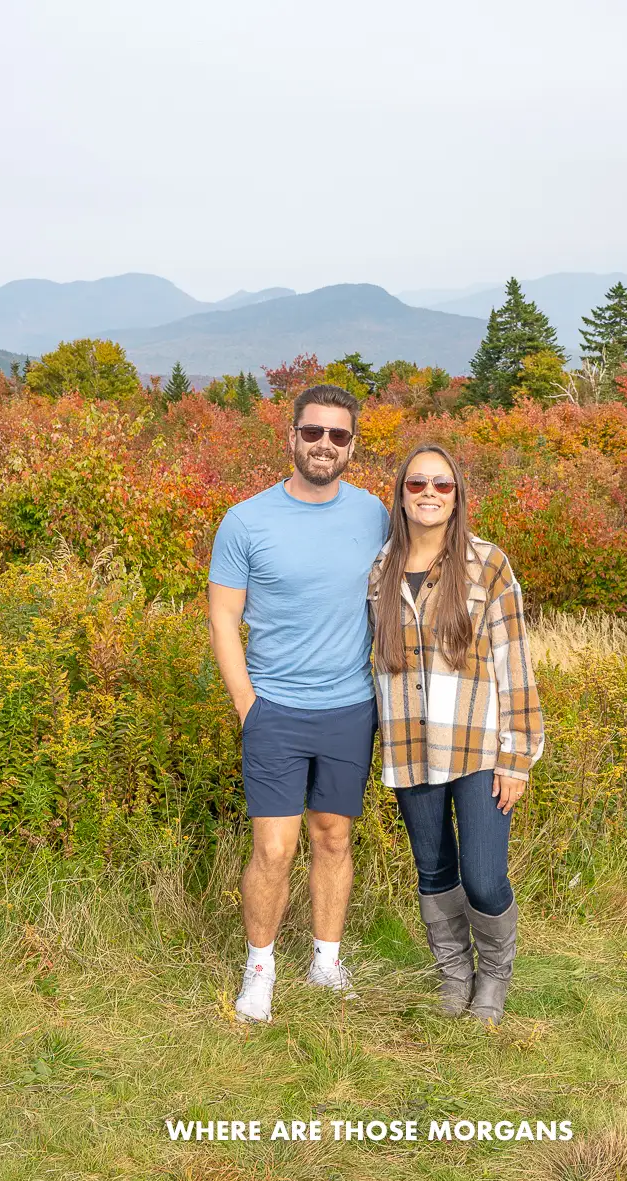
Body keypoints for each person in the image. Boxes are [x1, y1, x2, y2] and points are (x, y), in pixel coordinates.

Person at [207, 384, 389, 1024]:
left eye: (338, 436)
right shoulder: (246, 520)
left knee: (333, 836)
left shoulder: (375, 515)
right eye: (313, 433)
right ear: (291, 437)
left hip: (349, 707)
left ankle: (326, 960)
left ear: (352, 446)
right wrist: (248, 707)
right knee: (275, 849)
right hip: (275, 711)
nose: (324, 446)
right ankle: (260, 973)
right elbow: (223, 618)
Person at [368, 443, 543, 1024]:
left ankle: (493, 977)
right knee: (434, 870)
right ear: (400, 493)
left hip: (476, 747)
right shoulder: (380, 570)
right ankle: (453, 973)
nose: (429, 495)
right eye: (417, 484)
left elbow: (514, 662)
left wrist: (516, 757)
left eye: (442, 486)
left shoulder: (487, 565)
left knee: (484, 878)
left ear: (457, 495)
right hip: (409, 745)